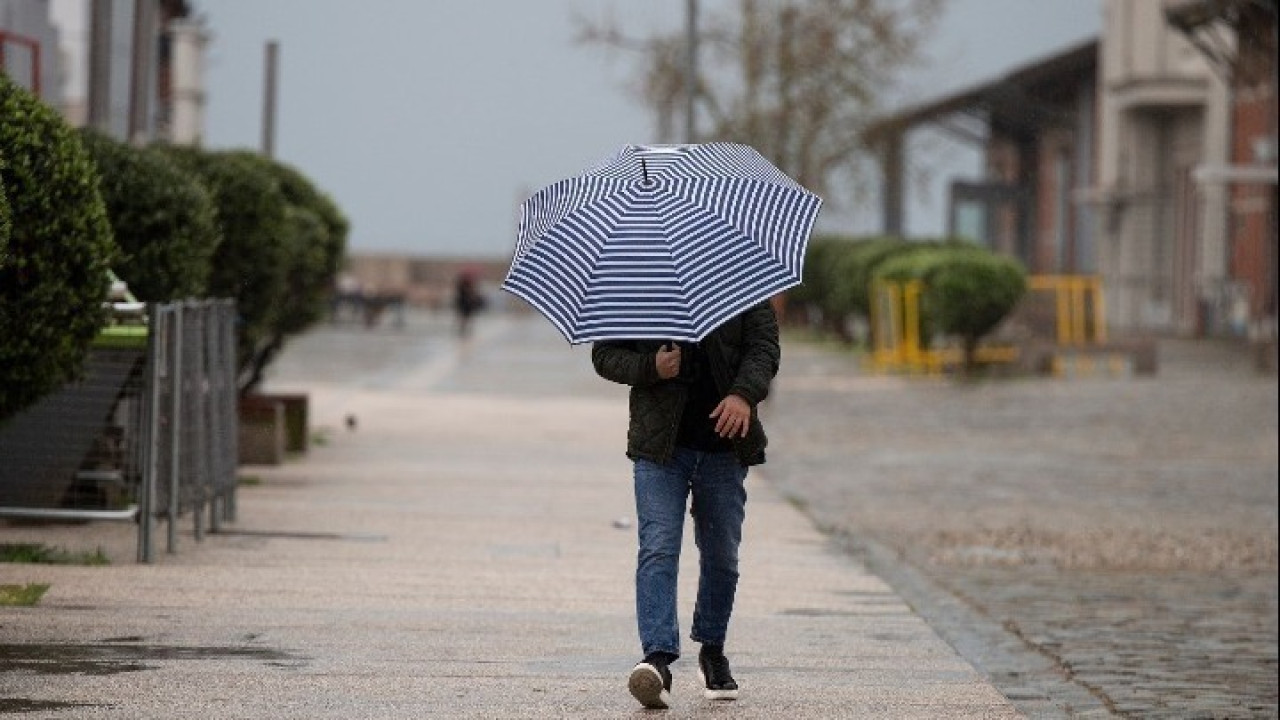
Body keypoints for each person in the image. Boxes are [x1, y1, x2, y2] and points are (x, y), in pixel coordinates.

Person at [591, 300, 781, 709]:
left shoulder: (743, 277)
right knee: (658, 547)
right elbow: (604, 355)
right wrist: (651, 369)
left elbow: (764, 348)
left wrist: (743, 395)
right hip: (660, 448)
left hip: (724, 446)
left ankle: (712, 649)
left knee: (721, 556)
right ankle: (657, 659)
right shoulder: (641, 283)